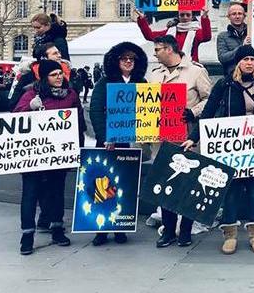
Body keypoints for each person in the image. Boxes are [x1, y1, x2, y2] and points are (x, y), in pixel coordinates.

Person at [184, 44, 254, 255]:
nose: (249, 63)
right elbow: (208, 113)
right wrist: (192, 138)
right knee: (231, 192)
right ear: (238, 62)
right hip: (231, 148)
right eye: (245, 59)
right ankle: (230, 235)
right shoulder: (225, 85)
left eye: (252, 59)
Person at [14, 60, 86, 255]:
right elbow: (15, 117)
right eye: (54, 74)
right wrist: (29, 106)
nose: (59, 77)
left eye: (60, 73)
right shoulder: (31, 94)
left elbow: (78, 121)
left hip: (59, 155)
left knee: (56, 192)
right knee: (30, 194)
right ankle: (27, 234)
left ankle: (57, 228)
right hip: (35, 156)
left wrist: (77, 147)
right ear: (45, 77)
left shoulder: (70, 94)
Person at [148, 35, 212, 248]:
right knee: (165, 185)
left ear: (169, 49)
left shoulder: (195, 71)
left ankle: (185, 230)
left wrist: (192, 112)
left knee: (188, 185)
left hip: (187, 137)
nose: (155, 53)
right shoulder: (155, 74)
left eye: (158, 49)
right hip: (162, 139)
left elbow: (209, 99)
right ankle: (168, 230)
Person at [88, 42, 149, 246]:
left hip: (127, 142)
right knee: (103, 186)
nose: (129, 62)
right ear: (116, 61)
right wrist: (105, 137)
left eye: (132, 59)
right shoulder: (104, 83)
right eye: (124, 59)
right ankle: (102, 230)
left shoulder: (141, 82)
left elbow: (148, 112)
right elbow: (96, 110)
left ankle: (120, 227)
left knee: (123, 183)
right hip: (107, 142)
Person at [9, 43, 73, 110]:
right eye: (55, 53)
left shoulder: (69, 74)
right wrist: (30, 106)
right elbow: (13, 106)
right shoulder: (27, 78)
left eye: (59, 53)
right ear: (44, 58)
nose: (59, 55)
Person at [135, 8, 212, 63]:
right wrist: (142, 19)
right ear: (178, 16)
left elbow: (207, 37)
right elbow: (150, 36)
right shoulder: (170, 31)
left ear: (192, 17)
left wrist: (204, 18)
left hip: (191, 67)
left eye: (188, 15)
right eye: (182, 15)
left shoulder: (196, 32)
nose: (185, 17)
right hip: (171, 67)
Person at [216, 2, 252, 74]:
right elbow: (223, 58)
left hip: (252, 75)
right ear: (228, 17)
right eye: (234, 14)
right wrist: (242, 47)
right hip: (232, 77)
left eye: (240, 13)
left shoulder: (251, 33)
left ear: (244, 16)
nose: (237, 16)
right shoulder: (222, 36)